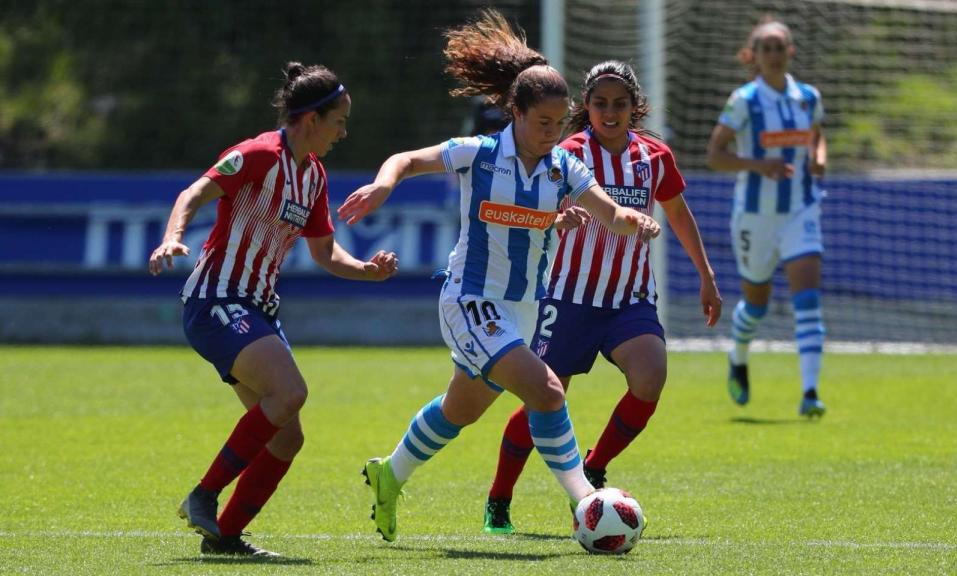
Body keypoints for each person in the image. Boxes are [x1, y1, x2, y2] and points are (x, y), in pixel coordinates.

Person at [336, 10, 661, 543]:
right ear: (516, 113)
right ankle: (586, 500)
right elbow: (406, 159)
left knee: (459, 410)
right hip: (470, 299)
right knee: (547, 391)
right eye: (542, 123)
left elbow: (610, 212)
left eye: (559, 124)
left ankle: (388, 474)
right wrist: (383, 185)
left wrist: (635, 221)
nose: (552, 134)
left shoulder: (564, 168)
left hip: (523, 310)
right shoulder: (479, 155)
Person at [148, 62, 398, 557]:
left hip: (257, 309)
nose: (343, 133)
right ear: (311, 119)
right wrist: (172, 237)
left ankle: (225, 537)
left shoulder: (314, 176)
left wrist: (367, 270)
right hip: (216, 300)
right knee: (290, 393)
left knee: (287, 439)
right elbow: (194, 192)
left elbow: (326, 253)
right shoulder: (258, 154)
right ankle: (204, 495)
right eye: (339, 121)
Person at [481, 60, 723, 534]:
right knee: (543, 399)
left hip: (630, 298)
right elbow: (531, 204)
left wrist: (706, 275)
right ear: (586, 107)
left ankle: (593, 467)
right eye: (600, 103)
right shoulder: (567, 153)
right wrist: (556, 220)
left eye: (620, 104)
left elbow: (678, 212)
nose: (610, 112)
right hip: (567, 298)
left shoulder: (654, 156)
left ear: (635, 107)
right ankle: (499, 497)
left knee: (650, 377)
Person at [706, 17, 828, 417]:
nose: (774, 54)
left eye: (780, 47)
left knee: (807, 297)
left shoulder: (807, 96)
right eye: (767, 48)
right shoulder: (744, 100)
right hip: (755, 217)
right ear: (754, 56)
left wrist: (819, 158)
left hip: (800, 209)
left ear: (790, 52)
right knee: (756, 304)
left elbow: (817, 136)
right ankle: (738, 356)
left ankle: (810, 392)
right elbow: (715, 155)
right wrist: (760, 165)